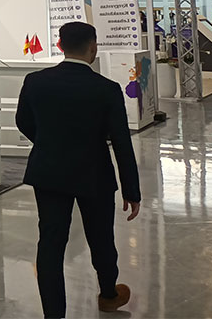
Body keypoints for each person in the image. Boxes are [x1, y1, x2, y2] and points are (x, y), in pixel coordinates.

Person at [16, 22, 141, 318]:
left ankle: (54, 314)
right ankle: (108, 295)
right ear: (93, 48)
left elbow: (23, 121)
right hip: (94, 173)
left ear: (60, 46)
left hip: (48, 172)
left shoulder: (35, 81)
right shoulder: (107, 89)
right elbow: (121, 143)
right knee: (101, 238)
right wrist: (131, 190)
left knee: (50, 243)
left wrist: (48, 142)